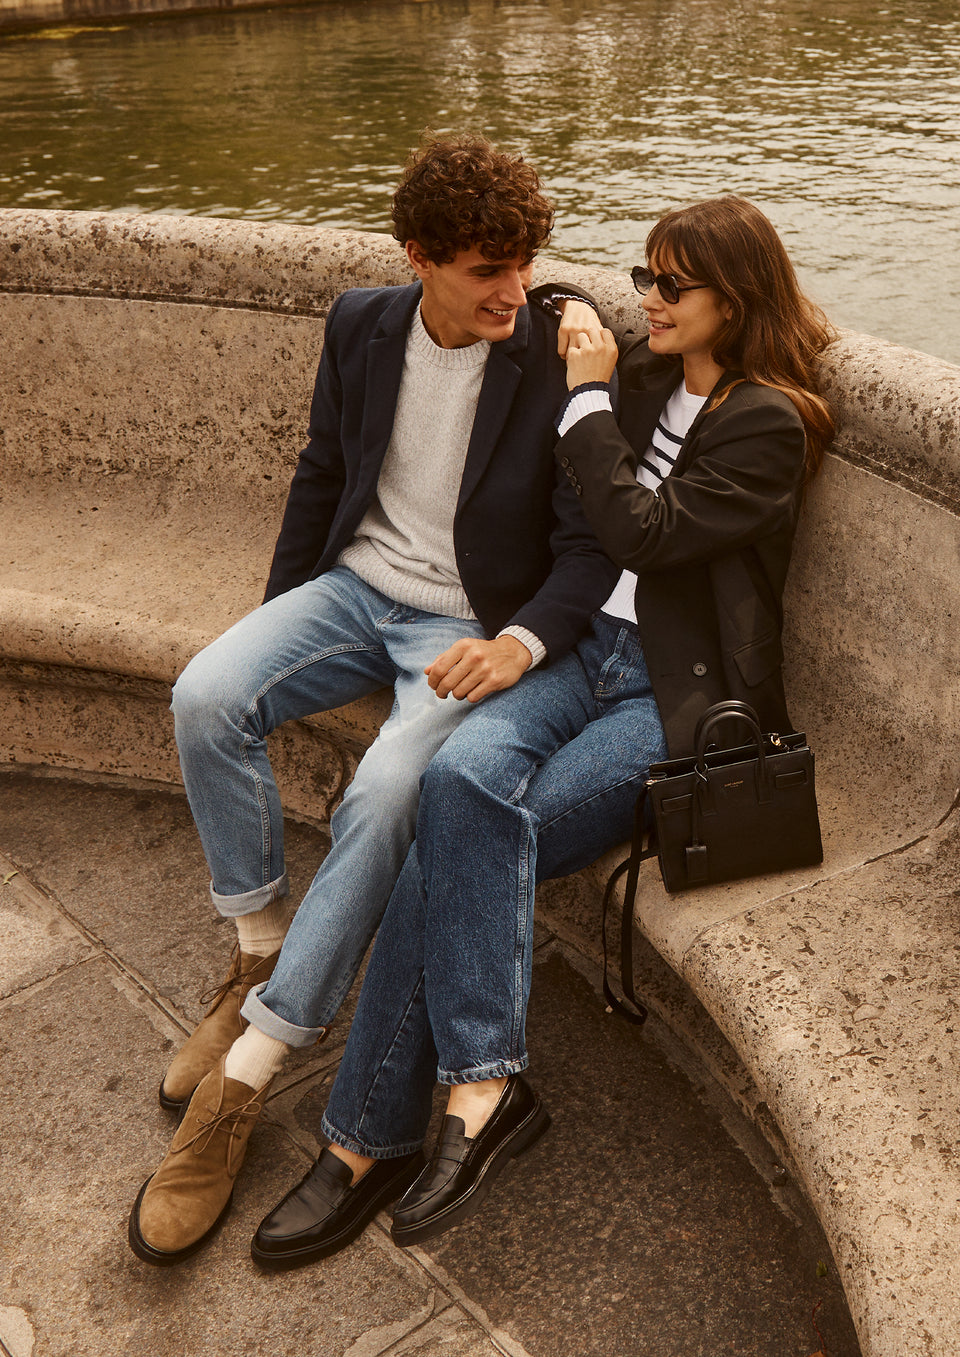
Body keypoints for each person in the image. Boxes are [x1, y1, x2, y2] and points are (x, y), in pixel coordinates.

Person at [243, 195, 837, 1271]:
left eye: (669, 285)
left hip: (666, 695)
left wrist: (589, 399)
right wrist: (571, 334)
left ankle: (369, 1137)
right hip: (576, 661)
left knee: (455, 828)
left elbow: (638, 532)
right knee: (457, 784)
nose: (645, 299)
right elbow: (540, 311)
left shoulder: (768, 423)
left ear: (732, 301)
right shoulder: (648, 377)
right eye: (644, 278)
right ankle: (481, 1090)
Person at [127, 134, 618, 1266]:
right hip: (355, 590)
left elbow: (590, 547)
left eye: (528, 261)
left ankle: (246, 1075)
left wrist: (516, 641)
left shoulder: (555, 342)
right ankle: (255, 948)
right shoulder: (359, 322)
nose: (516, 289)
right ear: (417, 258)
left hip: (466, 626)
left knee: (392, 790)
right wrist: (274, 620)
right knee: (206, 689)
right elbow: (320, 468)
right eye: (487, 268)